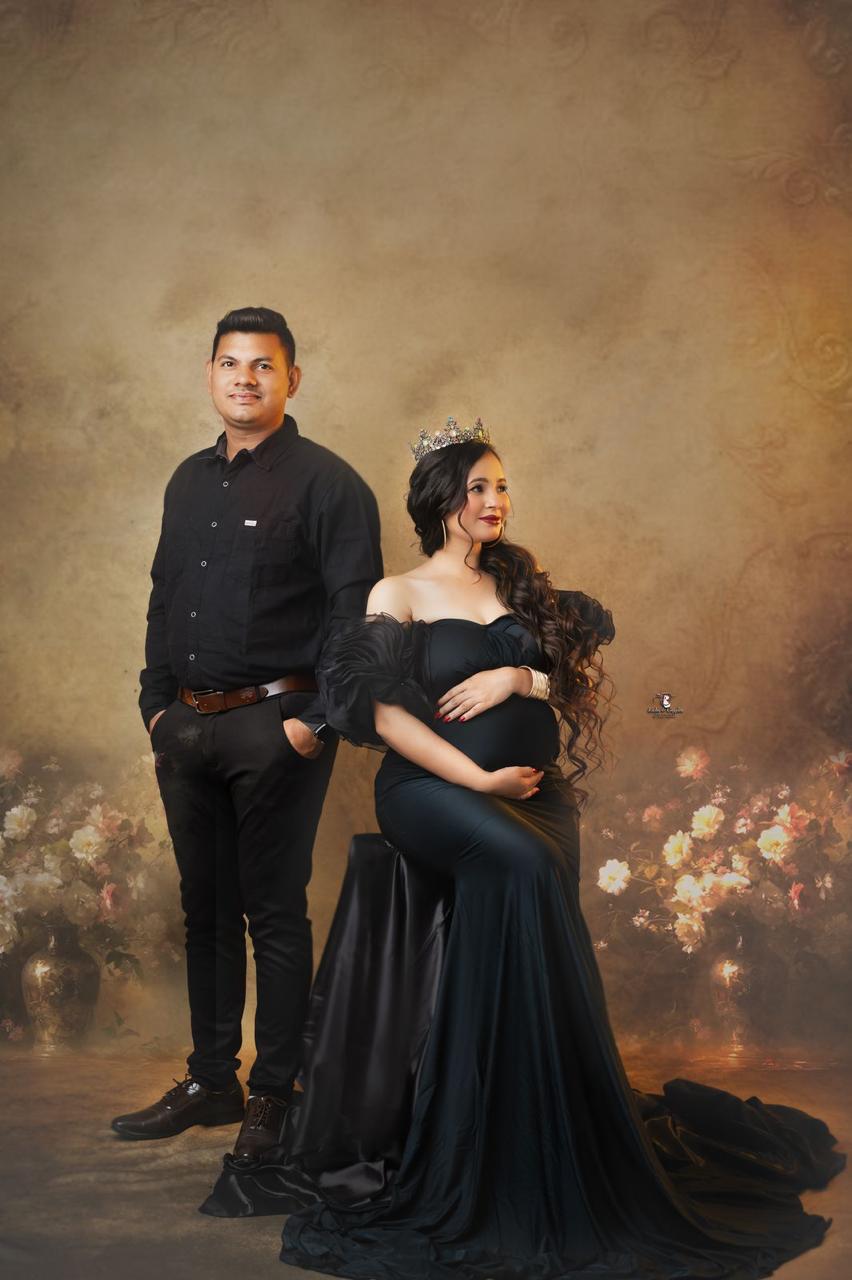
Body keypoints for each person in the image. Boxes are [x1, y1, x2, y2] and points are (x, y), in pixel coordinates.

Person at [201, 417, 845, 1278]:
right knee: (527, 866)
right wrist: (480, 781)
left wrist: (519, 675)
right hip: (433, 793)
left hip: (538, 802)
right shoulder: (397, 593)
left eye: (501, 486)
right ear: (441, 499)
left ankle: (550, 1117)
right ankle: (479, 1147)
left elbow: (568, 679)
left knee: (538, 867)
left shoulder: (518, 585)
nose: (495, 500)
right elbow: (385, 717)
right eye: (477, 487)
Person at [111, 307, 383, 1160]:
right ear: (210, 374)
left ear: (291, 379)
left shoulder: (330, 484)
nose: (245, 378)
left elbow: (356, 619)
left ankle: (273, 1094)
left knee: (273, 913)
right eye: (231, 363)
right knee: (205, 911)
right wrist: (156, 706)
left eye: (263, 365)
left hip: (278, 726)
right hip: (186, 727)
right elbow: (164, 596)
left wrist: (314, 721)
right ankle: (211, 1081)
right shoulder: (187, 481)